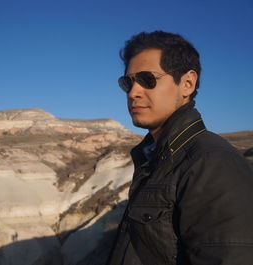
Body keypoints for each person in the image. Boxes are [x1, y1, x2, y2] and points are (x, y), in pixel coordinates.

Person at [108, 31, 253, 265]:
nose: (134, 92)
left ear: (187, 84)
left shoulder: (213, 163)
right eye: (128, 82)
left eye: (147, 79)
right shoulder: (156, 158)